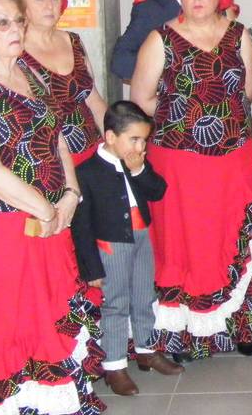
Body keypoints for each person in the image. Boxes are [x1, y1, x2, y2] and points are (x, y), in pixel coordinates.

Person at [0, 0, 104, 413]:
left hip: (51, 214)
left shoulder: (32, 72)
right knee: (7, 315)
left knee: (48, 307)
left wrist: (71, 194)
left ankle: (51, 402)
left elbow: (58, 139)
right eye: (2, 22)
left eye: (17, 19)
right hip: (0, 221)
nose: (15, 28)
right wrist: (44, 207)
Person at [131, 0, 252, 359]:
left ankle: (237, 324)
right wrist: (186, 112)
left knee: (232, 234)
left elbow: (244, 93)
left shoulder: (241, 35)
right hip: (180, 160)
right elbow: (142, 99)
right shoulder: (160, 39)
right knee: (186, 241)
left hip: (233, 156)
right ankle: (186, 329)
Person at [70, 100, 184, 396]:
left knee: (145, 295)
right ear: (110, 137)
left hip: (142, 236)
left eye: (144, 140)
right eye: (134, 139)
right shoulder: (87, 172)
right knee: (116, 303)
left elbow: (158, 191)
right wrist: (91, 267)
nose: (140, 146)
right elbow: (80, 225)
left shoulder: (136, 161)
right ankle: (115, 366)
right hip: (111, 245)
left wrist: (139, 169)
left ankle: (146, 350)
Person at [15, 0, 106, 166]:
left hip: (92, 154)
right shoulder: (14, 51)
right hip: (46, 163)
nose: (49, 5)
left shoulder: (73, 41)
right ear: (21, 3)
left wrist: (116, 141)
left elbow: (94, 101)